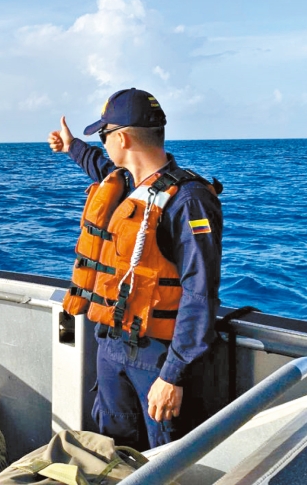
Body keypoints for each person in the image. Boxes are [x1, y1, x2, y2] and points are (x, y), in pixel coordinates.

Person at [48, 88, 223, 450]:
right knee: (116, 451)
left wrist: (172, 376)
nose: (102, 144)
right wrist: (71, 147)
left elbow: (200, 292)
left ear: (122, 138)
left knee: (166, 457)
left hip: (159, 358)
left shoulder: (189, 201)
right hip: (112, 346)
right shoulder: (128, 182)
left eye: (103, 135)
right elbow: (99, 165)